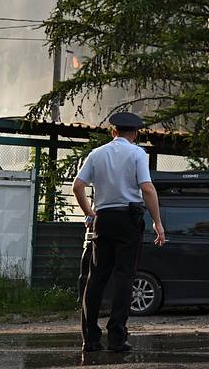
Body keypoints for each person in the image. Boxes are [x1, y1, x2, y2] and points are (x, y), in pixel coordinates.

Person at [73, 111, 166, 353]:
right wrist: (157, 222)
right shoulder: (137, 153)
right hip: (128, 220)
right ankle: (117, 337)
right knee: (124, 277)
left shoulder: (96, 154)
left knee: (96, 279)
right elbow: (146, 187)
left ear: (113, 131)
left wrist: (91, 213)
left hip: (102, 220)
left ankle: (90, 339)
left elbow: (77, 186)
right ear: (135, 133)